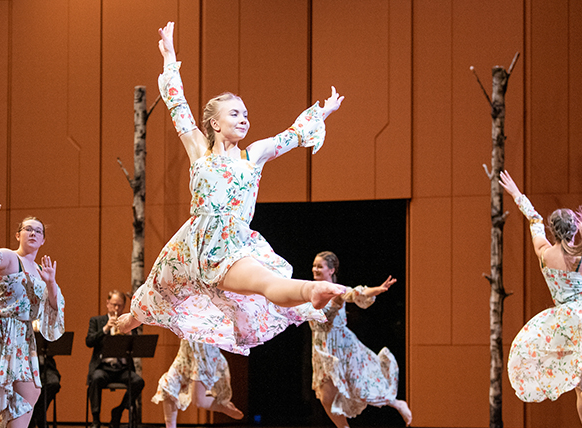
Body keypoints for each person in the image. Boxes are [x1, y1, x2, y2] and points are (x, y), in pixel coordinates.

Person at [117, 21, 346, 355]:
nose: (244, 119)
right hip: (191, 245)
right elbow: (177, 104)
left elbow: (290, 135)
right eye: (235, 113)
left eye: (246, 114)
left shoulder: (251, 156)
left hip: (232, 244)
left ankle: (310, 291)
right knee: (156, 290)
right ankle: (130, 320)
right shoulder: (198, 148)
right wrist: (169, 55)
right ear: (214, 123)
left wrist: (322, 112)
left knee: (267, 284)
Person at [500, 171, 582, 428]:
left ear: (553, 231)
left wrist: (516, 194)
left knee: (579, 383)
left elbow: (534, 220)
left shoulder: (543, 254)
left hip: (563, 322)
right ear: (575, 229)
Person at [0, 192, 65, 428]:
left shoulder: (42, 270)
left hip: (21, 335)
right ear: (18, 235)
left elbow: (54, 310)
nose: (33, 233)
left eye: (38, 231)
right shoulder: (9, 257)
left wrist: (50, 283)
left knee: (31, 392)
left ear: (43, 240)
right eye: (28, 229)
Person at [309, 251, 412, 427]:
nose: (315, 269)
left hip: (342, 346)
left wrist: (377, 290)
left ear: (331, 270)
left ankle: (396, 403)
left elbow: (357, 293)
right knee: (326, 398)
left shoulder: (338, 290)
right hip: (321, 347)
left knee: (360, 388)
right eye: (314, 266)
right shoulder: (308, 289)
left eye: (320, 266)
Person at [152, 339, 243, 428]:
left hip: (203, 351)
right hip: (186, 350)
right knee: (169, 386)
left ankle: (221, 406)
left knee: (198, 401)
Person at [87, 290, 145, 428]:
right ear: (108, 304)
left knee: (138, 382)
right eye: (114, 305)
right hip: (103, 368)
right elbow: (89, 341)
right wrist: (106, 328)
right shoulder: (97, 321)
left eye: (120, 305)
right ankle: (96, 420)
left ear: (124, 306)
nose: (117, 309)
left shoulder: (130, 322)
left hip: (122, 369)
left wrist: (130, 332)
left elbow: (137, 345)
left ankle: (118, 411)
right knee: (95, 379)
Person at [28, 319, 61, 428]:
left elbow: (57, 342)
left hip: (45, 365)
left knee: (54, 383)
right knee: (29, 387)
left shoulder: (46, 316)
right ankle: (37, 418)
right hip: (27, 367)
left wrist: (45, 331)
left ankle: (37, 414)